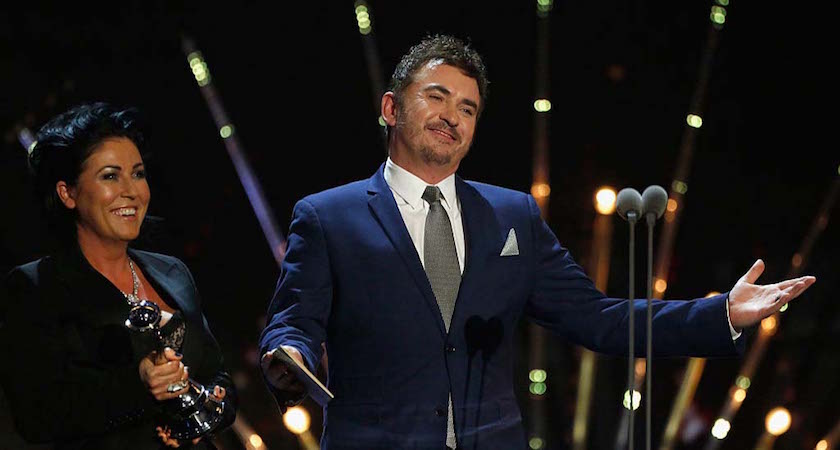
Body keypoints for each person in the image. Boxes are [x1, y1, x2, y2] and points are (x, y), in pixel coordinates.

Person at [259, 35, 815, 449]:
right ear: (390, 109)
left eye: (468, 108)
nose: (452, 116)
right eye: (436, 97)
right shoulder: (327, 216)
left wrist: (721, 314)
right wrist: (290, 355)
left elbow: (598, 318)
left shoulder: (513, 215)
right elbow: (293, 323)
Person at [0, 103, 237, 448]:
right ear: (67, 193)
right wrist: (140, 385)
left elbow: (218, 377)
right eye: (110, 176)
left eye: (138, 173)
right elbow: (38, 416)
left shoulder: (172, 272)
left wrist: (208, 408)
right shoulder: (35, 287)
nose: (132, 191)